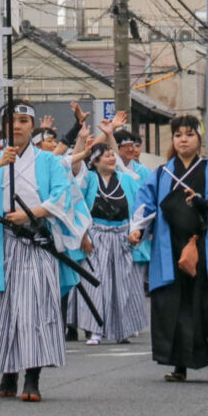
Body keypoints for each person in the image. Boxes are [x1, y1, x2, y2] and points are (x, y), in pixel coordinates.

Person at [0, 101, 89, 401]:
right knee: (3, 311)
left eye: (24, 121)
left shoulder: (48, 162)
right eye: (12, 121)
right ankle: (7, 371)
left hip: (36, 243)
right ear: (4, 128)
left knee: (35, 310)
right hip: (1, 244)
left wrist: (32, 213)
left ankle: (32, 377)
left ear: (33, 126)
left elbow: (63, 195)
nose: (18, 126)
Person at [130, 116, 208, 383]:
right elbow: (145, 204)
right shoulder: (161, 173)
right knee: (174, 306)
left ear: (199, 139)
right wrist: (138, 229)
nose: (183, 140)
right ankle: (179, 364)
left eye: (189, 134)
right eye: (178, 135)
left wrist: (206, 204)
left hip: (205, 245)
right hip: (170, 245)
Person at [73, 130, 147, 348]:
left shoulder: (127, 180)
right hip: (96, 236)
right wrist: (84, 235)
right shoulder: (87, 180)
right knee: (95, 283)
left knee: (122, 284)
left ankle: (121, 330)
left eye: (112, 155)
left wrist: (137, 231)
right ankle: (95, 330)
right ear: (95, 162)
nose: (112, 158)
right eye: (106, 156)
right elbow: (78, 206)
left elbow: (139, 209)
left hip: (122, 236)